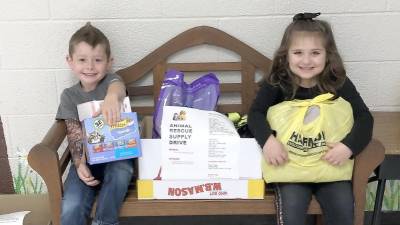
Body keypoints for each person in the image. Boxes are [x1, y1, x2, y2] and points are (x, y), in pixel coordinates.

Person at [247, 13, 373, 225]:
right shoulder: (277, 82)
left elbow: (364, 118)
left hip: (330, 166)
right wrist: (268, 142)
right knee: (292, 210)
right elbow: (255, 114)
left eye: (315, 53)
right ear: (285, 55)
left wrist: (348, 147)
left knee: (343, 207)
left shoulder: (337, 82)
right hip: (290, 167)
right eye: (298, 53)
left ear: (328, 55)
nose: (306, 61)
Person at [56, 22, 133, 225]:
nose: (90, 67)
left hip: (116, 155)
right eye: (82, 60)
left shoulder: (111, 81)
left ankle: (104, 222)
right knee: (72, 203)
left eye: (97, 60)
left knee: (121, 171)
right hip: (86, 158)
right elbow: (73, 133)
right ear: (70, 62)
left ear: (109, 62)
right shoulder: (69, 96)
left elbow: (118, 86)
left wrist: (112, 97)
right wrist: (79, 163)